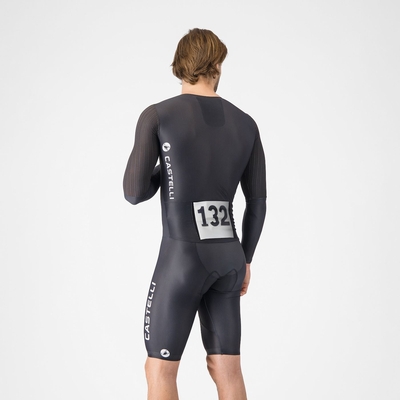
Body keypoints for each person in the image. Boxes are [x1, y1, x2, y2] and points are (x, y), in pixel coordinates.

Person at [123, 28, 266, 400]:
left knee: (160, 369)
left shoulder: (158, 115)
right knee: (226, 368)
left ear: (179, 65)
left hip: (183, 257)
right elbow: (258, 202)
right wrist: (246, 259)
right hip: (230, 257)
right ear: (217, 65)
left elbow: (134, 192)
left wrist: (166, 169)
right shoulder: (246, 123)